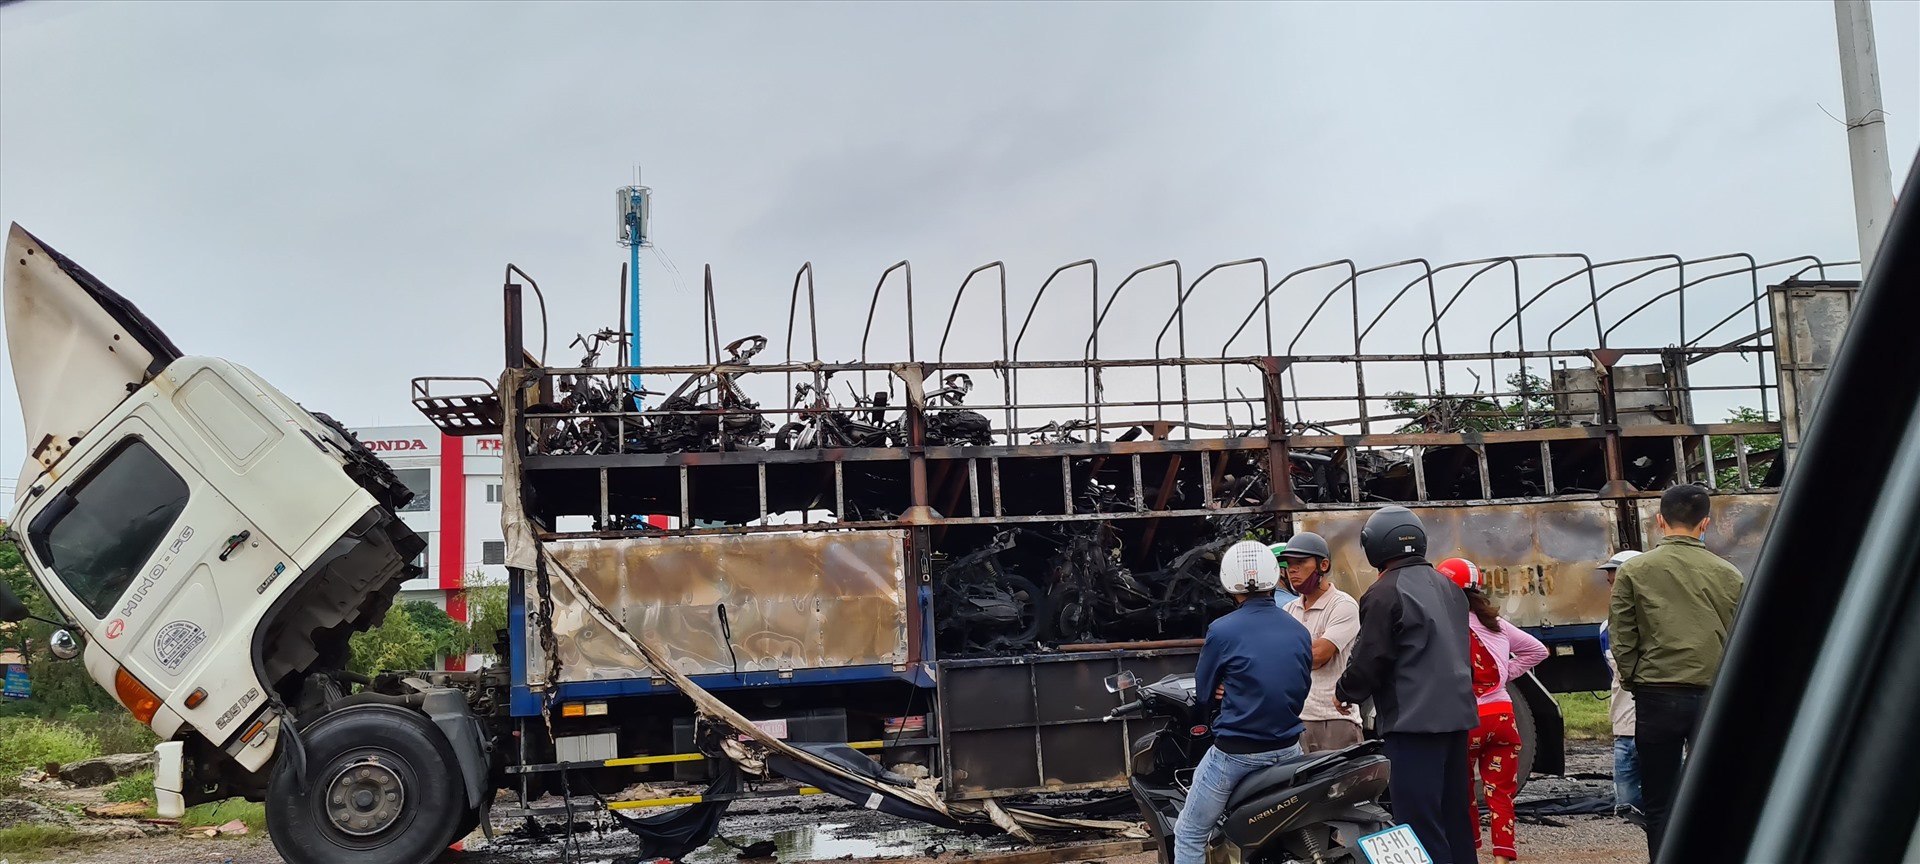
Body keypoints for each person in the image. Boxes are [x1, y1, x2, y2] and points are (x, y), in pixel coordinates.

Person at [1334, 506, 1478, 864]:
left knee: (1419, 822)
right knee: (1455, 816)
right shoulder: (1450, 587)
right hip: (1456, 719)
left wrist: (1345, 692)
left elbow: (1371, 656)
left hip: (1413, 723)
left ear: (1375, 546)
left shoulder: (1384, 592)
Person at [1609, 484, 1744, 862]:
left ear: (1659, 520)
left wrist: (1636, 681)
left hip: (1657, 694)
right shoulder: (1729, 574)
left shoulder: (1634, 571)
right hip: (1714, 695)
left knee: (1659, 802)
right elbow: (1741, 637)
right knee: (1715, 795)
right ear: (1706, 523)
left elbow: (1622, 636)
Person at [1175, 539, 1315, 864]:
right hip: (1289, 749)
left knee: (1190, 832)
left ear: (1229, 582)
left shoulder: (1222, 630)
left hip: (1236, 754)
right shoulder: (1298, 629)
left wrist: (1225, 690)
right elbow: (1299, 685)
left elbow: (1204, 693)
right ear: (1273, 576)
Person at [1437, 557, 1549, 864]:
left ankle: (1470, 850)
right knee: (1501, 794)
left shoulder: (1445, 626)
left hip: (1467, 719)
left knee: (1462, 791)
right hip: (1503, 718)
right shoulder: (1496, 623)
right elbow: (1538, 650)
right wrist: (1505, 673)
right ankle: (1503, 856)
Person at [1276, 532, 1364, 754]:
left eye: (1300, 562)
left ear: (1323, 565)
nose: (1292, 570)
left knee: (1344, 778)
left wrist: (1288, 653)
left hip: (1335, 719)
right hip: (1297, 719)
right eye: (1289, 564)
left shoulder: (1342, 605)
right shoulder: (1288, 610)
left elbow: (1317, 656)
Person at [1595, 549, 1644, 822]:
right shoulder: (1606, 629)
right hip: (1625, 729)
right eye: (1610, 583)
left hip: (1656, 728)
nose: (1613, 590)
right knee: (1627, 804)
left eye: (1618, 583)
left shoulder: (1661, 625)